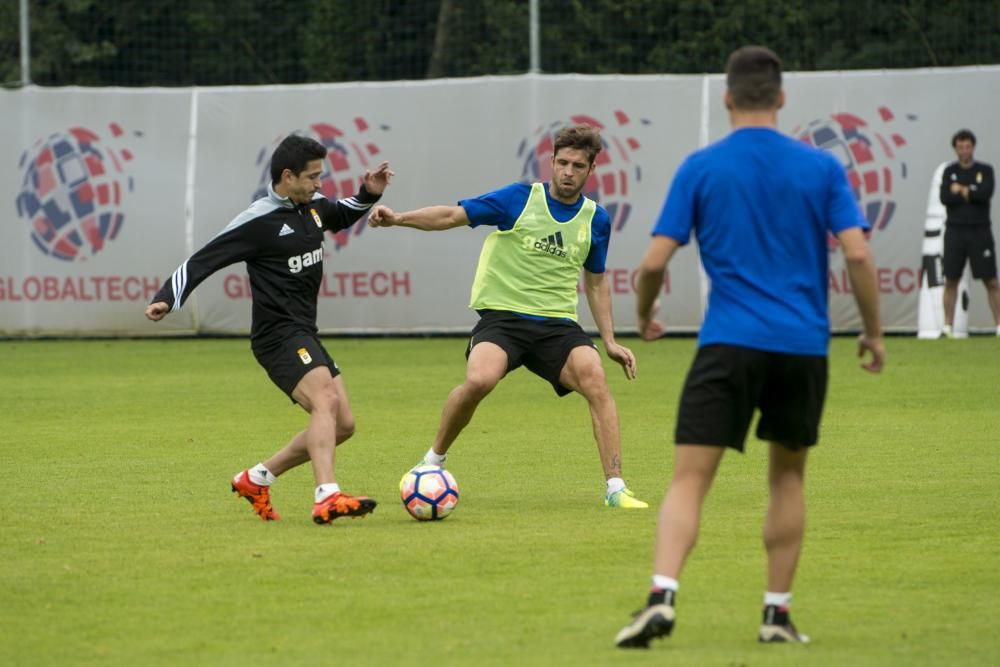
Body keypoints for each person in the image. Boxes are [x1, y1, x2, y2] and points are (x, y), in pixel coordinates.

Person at [614, 46, 885, 648]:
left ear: (728, 97)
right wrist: (872, 331)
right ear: (782, 97)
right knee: (787, 480)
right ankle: (776, 614)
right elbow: (860, 254)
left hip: (728, 344)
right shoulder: (821, 169)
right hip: (801, 347)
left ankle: (662, 595)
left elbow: (653, 262)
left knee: (689, 480)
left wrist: (644, 314)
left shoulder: (702, 166)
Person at [367, 124, 647, 508]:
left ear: (591, 170)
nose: (568, 171)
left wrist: (610, 340)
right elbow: (451, 215)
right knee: (480, 380)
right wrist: (397, 218)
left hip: (557, 326)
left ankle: (616, 488)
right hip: (504, 320)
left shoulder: (595, 218)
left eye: (577, 165)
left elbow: (596, 282)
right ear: (550, 162)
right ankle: (432, 460)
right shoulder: (518, 198)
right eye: (562, 162)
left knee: (596, 380)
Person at [145, 134, 393, 524]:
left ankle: (256, 479)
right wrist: (166, 297)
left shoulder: (310, 209)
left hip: (304, 332)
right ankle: (326, 495)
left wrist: (368, 193)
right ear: (287, 176)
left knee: (343, 424)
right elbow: (203, 259)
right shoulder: (258, 220)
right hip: (277, 336)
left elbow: (342, 212)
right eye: (312, 177)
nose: (319, 184)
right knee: (325, 403)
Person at [939, 129, 1000, 337]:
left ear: (973, 147)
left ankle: (999, 325)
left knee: (991, 280)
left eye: (967, 146)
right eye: (960, 147)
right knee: (951, 279)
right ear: (955, 148)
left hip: (980, 232)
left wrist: (963, 190)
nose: (964, 150)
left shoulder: (986, 170)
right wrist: (970, 192)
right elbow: (945, 197)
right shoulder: (949, 172)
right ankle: (947, 327)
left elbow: (985, 194)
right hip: (955, 231)